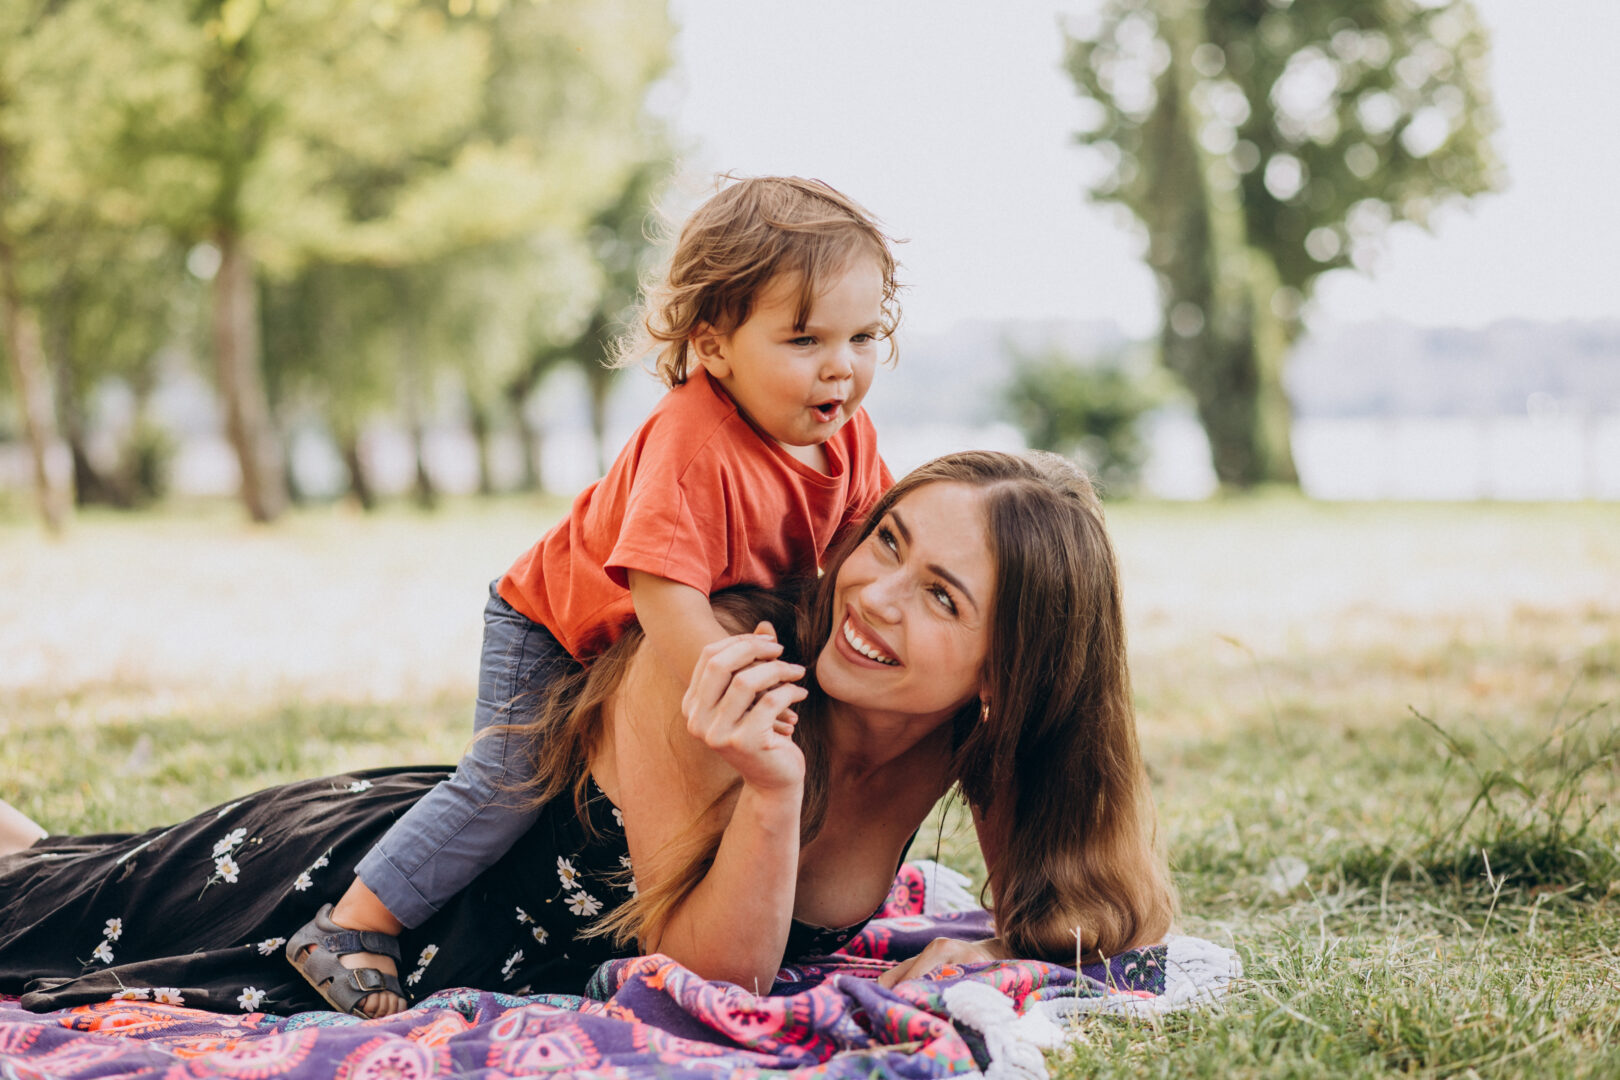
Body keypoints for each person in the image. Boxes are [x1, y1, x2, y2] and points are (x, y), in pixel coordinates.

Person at [0, 451, 1175, 1013]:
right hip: (370, 907)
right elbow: (714, 980)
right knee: (42, 906)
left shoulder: (963, 741)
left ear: (1003, 679)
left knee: (44, 875)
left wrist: (1001, 950)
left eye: (943, 598)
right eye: (887, 544)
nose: (875, 597)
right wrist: (771, 792)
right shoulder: (718, 663)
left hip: (477, 943)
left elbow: (1099, 906)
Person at [294, 175, 900, 1016]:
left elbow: (861, 556)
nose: (842, 365)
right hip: (549, 619)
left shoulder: (849, 437)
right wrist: (734, 699)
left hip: (639, 642)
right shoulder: (693, 442)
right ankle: (355, 925)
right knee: (507, 782)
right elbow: (664, 597)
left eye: (864, 334)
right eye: (804, 340)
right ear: (715, 344)